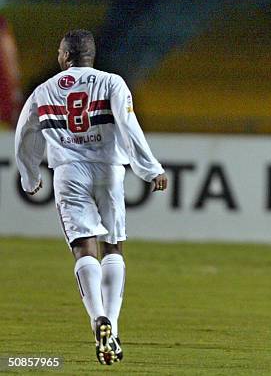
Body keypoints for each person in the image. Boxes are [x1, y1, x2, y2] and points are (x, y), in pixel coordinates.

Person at [15, 29, 168, 366]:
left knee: (84, 247)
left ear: (63, 55)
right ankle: (111, 325)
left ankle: (97, 317)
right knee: (113, 246)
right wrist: (149, 167)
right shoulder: (112, 82)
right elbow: (128, 125)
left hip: (69, 171)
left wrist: (30, 175)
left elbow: (26, 132)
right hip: (109, 170)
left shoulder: (45, 90)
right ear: (90, 55)